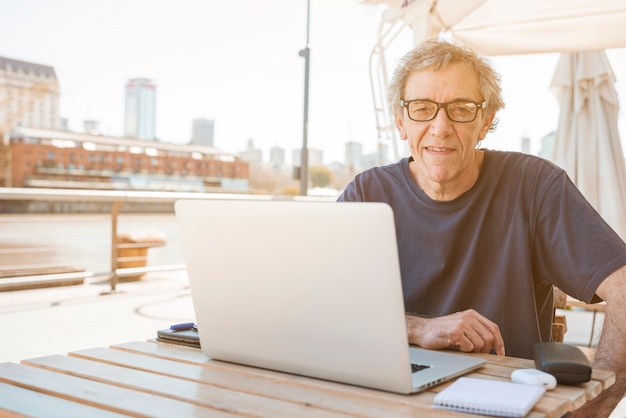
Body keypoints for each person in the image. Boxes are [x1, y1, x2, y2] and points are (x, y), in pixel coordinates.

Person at [338, 39, 626, 417]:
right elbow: (323, 306)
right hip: (385, 400)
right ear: (401, 121)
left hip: (502, 404)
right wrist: (417, 328)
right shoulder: (366, 193)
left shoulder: (535, 186)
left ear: (486, 120)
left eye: (461, 109)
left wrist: (593, 407)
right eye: (422, 109)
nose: (440, 128)